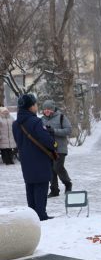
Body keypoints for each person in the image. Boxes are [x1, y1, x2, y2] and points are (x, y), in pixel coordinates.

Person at [12, 93, 57, 221]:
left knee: (30, 186)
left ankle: (31, 215)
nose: (36, 106)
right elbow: (47, 141)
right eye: (35, 104)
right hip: (40, 159)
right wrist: (53, 141)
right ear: (30, 107)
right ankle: (41, 215)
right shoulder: (36, 122)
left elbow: (17, 141)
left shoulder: (16, 124)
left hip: (25, 160)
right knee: (41, 186)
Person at [40, 100, 73, 197]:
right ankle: (54, 190)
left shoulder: (61, 117)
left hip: (60, 148)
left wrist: (54, 131)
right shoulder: (41, 119)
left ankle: (68, 184)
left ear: (53, 109)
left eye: (49, 109)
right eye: (45, 109)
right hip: (48, 149)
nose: (47, 111)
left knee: (57, 167)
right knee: (50, 169)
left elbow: (68, 130)